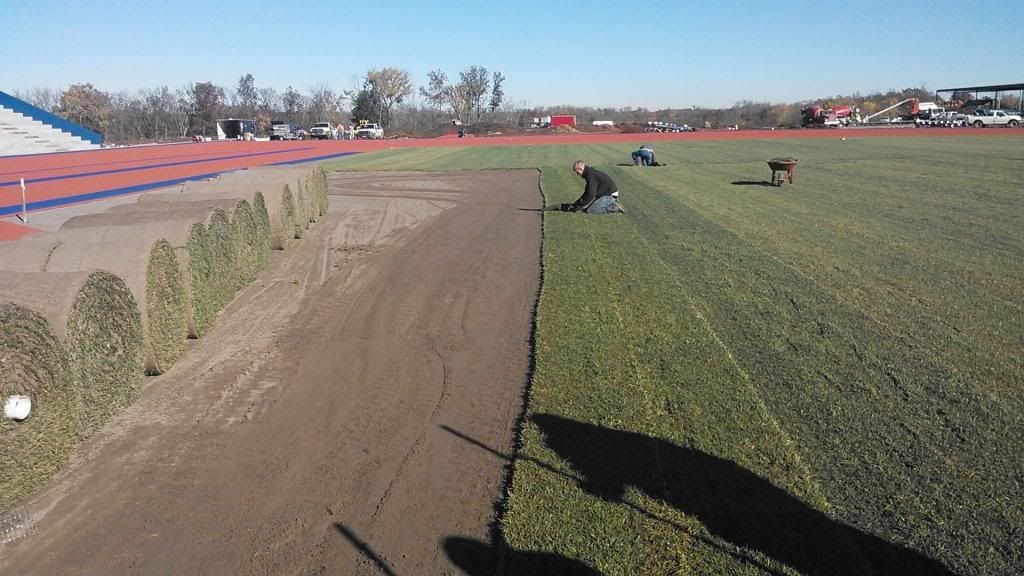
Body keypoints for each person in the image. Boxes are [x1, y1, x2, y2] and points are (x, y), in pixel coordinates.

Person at [556, 161, 625, 214]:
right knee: (588, 207)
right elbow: (587, 192)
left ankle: (614, 207)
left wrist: (579, 206)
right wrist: (577, 204)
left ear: (580, 169)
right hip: (606, 194)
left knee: (590, 210)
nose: (577, 174)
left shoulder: (590, 176)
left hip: (610, 195)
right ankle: (611, 202)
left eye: (577, 172)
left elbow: (591, 194)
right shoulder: (590, 173)